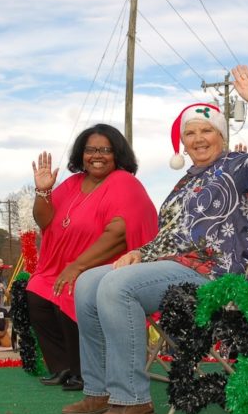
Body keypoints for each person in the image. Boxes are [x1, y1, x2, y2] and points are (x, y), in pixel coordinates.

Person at [62, 65, 248, 414]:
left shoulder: (238, 167)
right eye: (191, 133)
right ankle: (101, 389)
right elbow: (169, 237)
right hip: (173, 267)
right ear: (182, 143)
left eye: (207, 131)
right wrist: (141, 253)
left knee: (118, 287)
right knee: (88, 283)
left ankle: (133, 402)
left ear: (221, 135)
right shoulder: (184, 184)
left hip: (214, 277)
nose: (199, 139)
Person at [29, 123, 158, 391]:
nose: (96, 155)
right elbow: (45, 219)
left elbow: (120, 233)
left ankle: (86, 371)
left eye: (105, 150)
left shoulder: (124, 182)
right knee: (37, 290)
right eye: (90, 150)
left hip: (105, 266)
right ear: (81, 154)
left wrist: (77, 266)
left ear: (117, 154)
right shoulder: (73, 183)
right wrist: (43, 191)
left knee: (70, 290)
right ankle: (63, 366)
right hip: (63, 265)